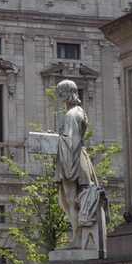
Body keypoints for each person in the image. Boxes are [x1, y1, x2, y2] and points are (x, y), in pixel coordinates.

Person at [54, 79, 102, 250]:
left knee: (71, 200)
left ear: (67, 93)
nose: (59, 97)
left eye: (60, 93)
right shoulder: (80, 111)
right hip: (81, 157)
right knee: (75, 200)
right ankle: (79, 236)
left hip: (71, 159)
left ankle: (77, 237)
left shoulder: (70, 115)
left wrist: (67, 170)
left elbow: (69, 141)